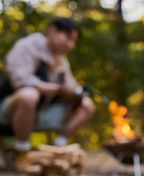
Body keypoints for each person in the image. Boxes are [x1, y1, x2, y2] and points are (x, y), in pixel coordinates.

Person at [0, 17, 95, 152]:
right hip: (8, 108)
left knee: (87, 104)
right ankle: (22, 149)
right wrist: (54, 88)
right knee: (29, 95)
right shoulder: (27, 46)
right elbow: (19, 80)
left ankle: (58, 147)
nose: (70, 45)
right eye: (68, 37)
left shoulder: (62, 60)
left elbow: (70, 85)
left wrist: (77, 92)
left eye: (73, 41)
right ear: (53, 31)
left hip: (42, 113)